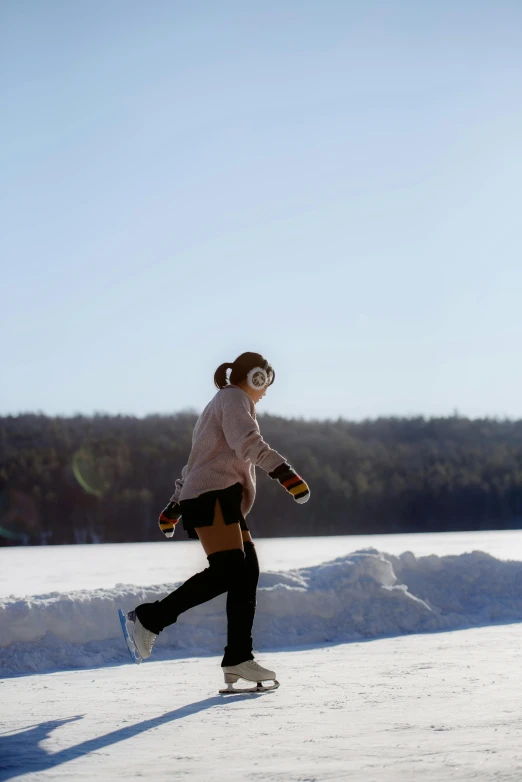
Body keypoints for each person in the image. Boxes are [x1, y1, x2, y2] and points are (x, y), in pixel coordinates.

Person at [128, 351, 310, 689]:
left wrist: (173, 506)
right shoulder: (233, 398)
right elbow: (247, 443)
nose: (266, 391)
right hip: (212, 496)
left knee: (246, 571)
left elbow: (197, 461)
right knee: (228, 569)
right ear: (257, 377)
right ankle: (150, 618)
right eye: (266, 382)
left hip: (219, 496)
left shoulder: (223, 403)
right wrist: (283, 472)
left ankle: (239, 657)